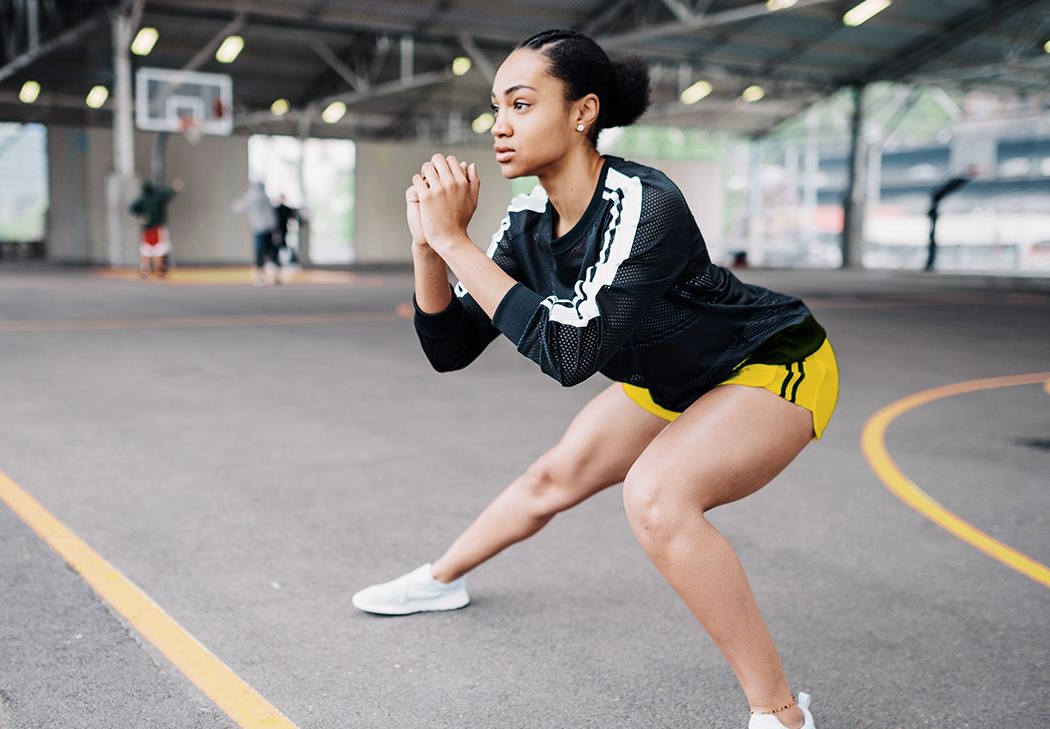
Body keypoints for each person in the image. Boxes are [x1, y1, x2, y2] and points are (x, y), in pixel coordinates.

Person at [350, 29, 838, 729]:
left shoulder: (643, 203)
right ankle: (438, 580)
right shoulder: (525, 222)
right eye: (496, 107)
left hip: (768, 360)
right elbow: (450, 347)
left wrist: (456, 242)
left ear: (581, 113)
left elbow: (569, 352)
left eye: (521, 104)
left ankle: (780, 712)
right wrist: (428, 247)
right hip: (666, 374)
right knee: (554, 474)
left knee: (658, 499)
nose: (500, 125)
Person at [231, 181, 280, 286]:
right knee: (269, 252)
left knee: (260, 253)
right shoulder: (265, 197)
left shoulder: (253, 196)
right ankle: (274, 275)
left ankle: (260, 277)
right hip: (268, 229)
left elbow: (239, 207)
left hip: (260, 229)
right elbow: (272, 214)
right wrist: (275, 228)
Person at [130, 179, 179, 278]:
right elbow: (167, 196)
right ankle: (158, 268)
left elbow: (132, 208)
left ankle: (145, 268)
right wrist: (174, 189)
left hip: (147, 228)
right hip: (157, 228)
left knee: (146, 250)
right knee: (159, 249)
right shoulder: (156, 199)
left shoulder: (142, 200)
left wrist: (140, 216)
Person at [272, 195, 302, 268]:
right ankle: (276, 260)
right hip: (277, 230)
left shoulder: (286, 209)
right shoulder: (276, 209)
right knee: (277, 244)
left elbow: (294, 216)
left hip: (283, 229)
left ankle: (281, 260)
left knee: (282, 244)